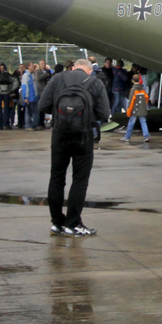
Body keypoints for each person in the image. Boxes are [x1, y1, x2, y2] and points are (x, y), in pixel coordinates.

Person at [37, 58, 110, 237]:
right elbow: (104, 113)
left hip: (60, 134)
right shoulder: (95, 82)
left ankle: (56, 222)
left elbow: (43, 106)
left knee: (56, 177)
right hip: (83, 135)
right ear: (89, 70)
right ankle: (73, 223)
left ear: (74, 67)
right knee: (80, 180)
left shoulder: (57, 79)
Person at [123, 75, 151, 143]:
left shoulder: (133, 90)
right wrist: (144, 105)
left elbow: (131, 101)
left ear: (132, 81)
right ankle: (146, 136)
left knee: (131, 122)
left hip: (134, 110)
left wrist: (129, 111)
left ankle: (127, 137)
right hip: (142, 109)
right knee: (143, 122)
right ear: (139, 80)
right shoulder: (142, 89)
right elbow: (147, 97)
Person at [0, 63, 17, 129]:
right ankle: (5, 124)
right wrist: (11, 89)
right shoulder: (9, 75)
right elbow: (16, 81)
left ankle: (0, 125)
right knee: (6, 109)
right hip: (6, 93)